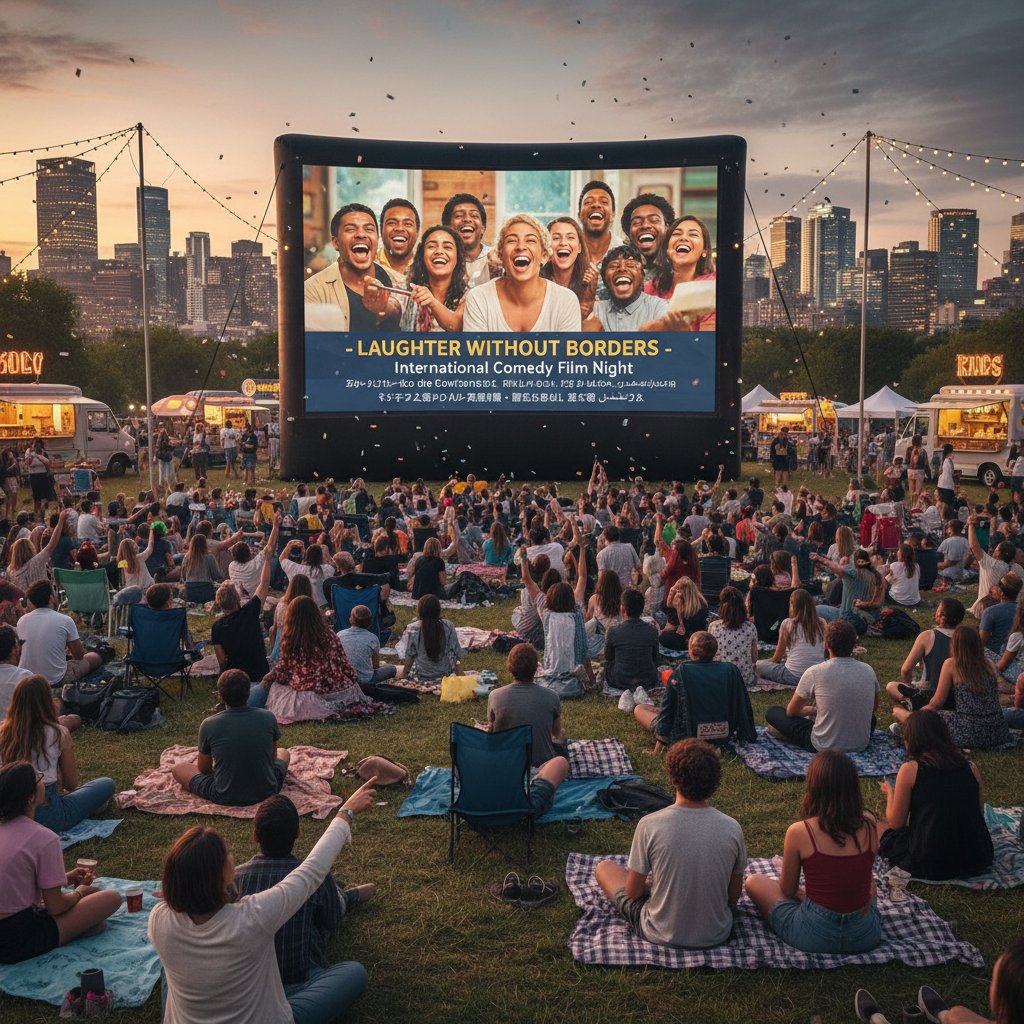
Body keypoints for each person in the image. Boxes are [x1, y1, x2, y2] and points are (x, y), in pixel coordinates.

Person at [150, 778, 377, 1024]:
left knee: (168, 970)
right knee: (353, 973)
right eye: (227, 853)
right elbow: (312, 871)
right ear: (222, 876)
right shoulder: (252, 918)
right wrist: (346, 812)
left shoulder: (159, 920)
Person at [594, 738, 745, 949]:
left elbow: (633, 892)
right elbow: (733, 896)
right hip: (717, 933)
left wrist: (652, 886)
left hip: (660, 931)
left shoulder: (649, 825)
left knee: (604, 868)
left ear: (673, 777)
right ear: (715, 782)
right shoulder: (732, 828)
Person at [234, 793, 374, 997]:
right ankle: (346, 896)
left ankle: (343, 894)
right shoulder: (311, 875)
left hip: (251, 980)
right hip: (304, 976)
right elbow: (330, 919)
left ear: (255, 836)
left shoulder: (235, 880)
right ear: (298, 833)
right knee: (353, 971)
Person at [744, 750, 881, 954]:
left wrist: (802, 894)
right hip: (865, 935)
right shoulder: (870, 825)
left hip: (813, 935)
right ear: (853, 787)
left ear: (814, 787)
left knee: (753, 881)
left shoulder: (800, 831)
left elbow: (787, 890)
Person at [0, 761, 121, 964]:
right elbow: (56, 906)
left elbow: (15, 879)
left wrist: (63, 879)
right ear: (30, 798)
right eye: (38, 778)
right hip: (15, 939)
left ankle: (75, 926)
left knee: (92, 897)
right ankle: (71, 932)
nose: (43, 780)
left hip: (14, 921)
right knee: (110, 898)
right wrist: (79, 891)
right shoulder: (43, 838)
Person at [877, 710, 992, 881]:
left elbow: (896, 823)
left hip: (929, 861)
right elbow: (979, 814)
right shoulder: (971, 767)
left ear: (911, 740)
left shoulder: (910, 770)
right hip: (976, 857)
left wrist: (891, 793)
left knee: (873, 824)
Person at [0, 675, 115, 832]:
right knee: (106, 784)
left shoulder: (2, 732)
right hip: (46, 813)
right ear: (48, 702)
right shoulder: (58, 732)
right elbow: (71, 783)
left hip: (6, 810)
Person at [171, 670, 290, 806]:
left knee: (179, 769)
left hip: (224, 794)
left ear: (220, 696)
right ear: (249, 692)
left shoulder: (209, 724)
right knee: (284, 753)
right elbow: (272, 757)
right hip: (267, 790)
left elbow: (204, 769)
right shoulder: (268, 717)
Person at [256, 597, 378, 723]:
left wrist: (270, 679)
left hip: (313, 693)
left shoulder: (292, 639)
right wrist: (352, 680)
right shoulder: (330, 634)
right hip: (343, 689)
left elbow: (283, 672)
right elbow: (343, 663)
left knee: (277, 688)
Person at [764, 619, 879, 753]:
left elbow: (792, 711)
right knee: (871, 719)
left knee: (773, 713)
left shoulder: (815, 672)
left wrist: (811, 710)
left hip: (822, 745)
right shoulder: (868, 670)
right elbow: (873, 708)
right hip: (860, 743)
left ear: (826, 645)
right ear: (854, 645)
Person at [634, 631, 754, 748]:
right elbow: (743, 705)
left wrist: (658, 747)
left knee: (640, 708)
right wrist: (746, 734)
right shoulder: (731, 670)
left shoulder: (682, 671)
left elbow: (667, 710)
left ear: (691, 650)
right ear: (714, 651)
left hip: (687, 735)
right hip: (724, 734)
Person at [463, 214, 582, 331]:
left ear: (544, 256)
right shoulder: (479, 299)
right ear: (500, 255)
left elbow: (565, 350)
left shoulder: (565, 301)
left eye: (530, 240)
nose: (520, 246)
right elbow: (475, 350)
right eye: (512, 240)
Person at [303, 203, 402, 330]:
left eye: (369, 229)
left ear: (377, 239)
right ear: (336, 242)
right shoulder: (313, 291)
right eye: (350, 229)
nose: (361, 234)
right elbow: (318, 346)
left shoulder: (401, 282)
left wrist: (384, 310)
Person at [910, 625, 1011, 749]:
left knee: (926, 721)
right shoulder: (989, 664)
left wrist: (918, 716)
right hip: (998, 731)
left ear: (955, 645)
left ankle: (904, 717)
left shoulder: (952, 664)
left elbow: (936, 703)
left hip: (968, 731)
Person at [212, 514, 280, 683]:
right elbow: (269, 549)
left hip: (235, 678)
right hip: (258, 673)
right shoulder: (251, 611)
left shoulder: (232, 566)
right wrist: (275, 527)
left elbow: (223, 663)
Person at [486, 642, 567, 767]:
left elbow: (492, 730)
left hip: (506, 763)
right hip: (543, 766)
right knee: (562, 734)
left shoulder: (495, 696)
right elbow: (556, 733)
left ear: (509, 668)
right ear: (536, 669)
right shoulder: (551, 696)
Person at [17, 580, 102, 688]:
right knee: (93, 658)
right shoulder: (65, 620)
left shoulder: (22, 621)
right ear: (51, 598)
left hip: (26, 680)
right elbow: (79, 656)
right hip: (55, 680)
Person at [887, 597, 965, 716]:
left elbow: (906, 670)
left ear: (940, 615)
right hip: (959, 698)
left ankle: (911, 701)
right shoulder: (967, 638)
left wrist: (910, 686)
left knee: (891, 686)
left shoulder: (928, 636)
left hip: (931, 695)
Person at [644, 214, 717, 330]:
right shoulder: (651, 288)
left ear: (705, 251)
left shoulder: (712, 288)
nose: (683, 238)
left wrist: (682, 337)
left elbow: (708, 345)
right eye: (677, 234)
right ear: (667, 249)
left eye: (693, 234)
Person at [584, 244, 670, 332]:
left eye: (631, 265)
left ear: (642, 277)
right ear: (604, 280)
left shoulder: (658, 307)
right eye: (613, 266)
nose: (622, 269)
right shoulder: (595, 310)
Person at [399, 224, 467, 331]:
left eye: (447, 247)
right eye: (431, 246)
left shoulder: (470, 296)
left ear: (458, 257)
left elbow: (456, 326)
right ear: (422, 256)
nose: (439, 251)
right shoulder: (406, 290)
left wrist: (432, 302)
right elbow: (391, 308)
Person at [755, 589, 826, 688]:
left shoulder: (787, 624)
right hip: (817, 676)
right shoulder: (822, 623)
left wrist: (763, 663)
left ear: (793, 605)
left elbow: (776, 659)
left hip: (793, 676)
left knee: (756, 665)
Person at [811, 548, 883, 634]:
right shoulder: (876, 575)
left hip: (847, 617)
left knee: (816, 609)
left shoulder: (853, 572)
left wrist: (819, 558)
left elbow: (833, 566)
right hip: (868, 619)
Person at [602, 587, 660, 694]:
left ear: (623, 610)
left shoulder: (613, 631)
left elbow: (608, 657)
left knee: (607, 665)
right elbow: (655, 658)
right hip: (648, 680)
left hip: (619, 681)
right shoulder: (652, 630)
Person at [540, 216, 597, 321]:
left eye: (570, 237)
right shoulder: (535, 282)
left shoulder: (588, 286)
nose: (563, 243)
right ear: (546, 247)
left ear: (579, 247)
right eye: (556, 238)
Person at [7, 508, 72, 594]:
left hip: (25, 605)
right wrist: (61, 520)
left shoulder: (10, 570)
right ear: (30, 548)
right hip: (44, 602)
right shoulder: (38, 561)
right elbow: (52, 544)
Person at [402, 594, 464, 683]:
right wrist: (460, 675)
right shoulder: (448, 626)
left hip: (420, 676)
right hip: (444, 675)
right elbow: (456, 653)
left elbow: (409, 657)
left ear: (420, 610)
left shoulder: (413, 628)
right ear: (438, 610)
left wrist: (404, 676)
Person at [709, 585, 758, 689]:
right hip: (745, 680)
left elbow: (709, 655)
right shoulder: (751, 627)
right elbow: (754, 659)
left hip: (718, 679)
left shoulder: (713, 626)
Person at [338, 604, 397, 687]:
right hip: (366, 680)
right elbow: (376, 666)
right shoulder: (372, 638)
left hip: (344, 679)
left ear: (351, 620)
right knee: (392, 669)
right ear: (370, 622)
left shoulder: (339, 635)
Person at [441, 192, 491, 286]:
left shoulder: (496, 259)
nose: (467, 219)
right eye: (459, 216)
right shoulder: (441, 259)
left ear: (483, 228)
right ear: (447, 228)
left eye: (474, 215)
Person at [620, 192, 675, 268]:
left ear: (667, 227)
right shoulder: (620, 267)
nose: (645, 225)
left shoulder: (679, 266)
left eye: (654, 220)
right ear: (628, 232)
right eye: (637, 222)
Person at [578, 180, 618, 282]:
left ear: (613, 215)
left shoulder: (624, 250)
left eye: (604, 202)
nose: (596, 205)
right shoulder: (568, 251)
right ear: (579, 215)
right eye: (588, 202)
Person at [279, 538, 335, 609]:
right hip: (320, 609)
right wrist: (327, 554)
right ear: (320, 557)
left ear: (306, 556)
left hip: (297, 607)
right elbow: (335, 565)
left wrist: (289, 545)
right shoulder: (327, 569)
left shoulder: (295, 569)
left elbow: (282, 559)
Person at [659, 576, 709, 651]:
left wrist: (677, 611)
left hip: (692, 638)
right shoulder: (701, 602)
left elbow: (680, 627)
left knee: (664, 637)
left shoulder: (698, 606)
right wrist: (669, 601)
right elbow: (666, 611)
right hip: (693, 636)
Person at [979, 574, 1022, 658]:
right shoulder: (1021, 609)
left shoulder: (990, 612)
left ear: (1002, 593)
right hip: (1017, 655)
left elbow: (982, 641)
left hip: (995, 655)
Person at [378, 197, 420, 277]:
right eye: (392, 223)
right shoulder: (369, 266)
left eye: (407, 224)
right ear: (381, 230)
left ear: (417, 232)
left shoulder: (426, 267)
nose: (400, 228)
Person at [596, 523, 641, 589]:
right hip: (630, 588)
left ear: (605, 538)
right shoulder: (629, 547)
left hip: (613, 591)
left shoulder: (601, 555)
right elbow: (638, 566)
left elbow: (602, 578)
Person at [884, 542, 922, 608]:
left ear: (901, 554)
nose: (897, 552)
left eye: (899, 550)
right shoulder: (916, 566)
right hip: (915, 602)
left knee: (883, 586)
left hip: (898, 600)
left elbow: (887, 581)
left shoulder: (895, 565)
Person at [24, 439, 53, 519]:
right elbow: (27, 463)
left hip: (43, 475)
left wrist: (42, 455)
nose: (36, 446)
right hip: (34, 475)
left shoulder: (43, 452)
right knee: (37, 497)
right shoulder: (29, 451)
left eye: (38, 444)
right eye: (35, 444)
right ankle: (36, 514)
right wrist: (32, 456)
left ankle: (45, 515)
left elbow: (48, 463)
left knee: (45, 496)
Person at [937, 443, 956, 517]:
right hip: (947, 485)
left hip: (940, 483)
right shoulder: (949, 460)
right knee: (946, 503)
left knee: (941, 501)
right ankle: (943, 517)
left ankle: (939, 516)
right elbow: (951, 472)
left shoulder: (943, 459)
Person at [0, 447, 20, 522]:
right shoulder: (3, 462)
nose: (10, 454)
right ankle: (5, 515)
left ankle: (7, 515)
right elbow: (4, 471)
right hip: (3, 480)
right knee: (6, 497)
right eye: (9, 453)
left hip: (3, 480)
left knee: (8, 496)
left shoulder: (8, 461)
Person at [240, 423, 260, 487]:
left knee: (251, 468)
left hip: (251, 454)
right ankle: (246, 480)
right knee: (246, 468)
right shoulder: (245, 436)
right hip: (245, 454)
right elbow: (241, 443)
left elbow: (252, 446)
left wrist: (245, 445)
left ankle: (252, 481)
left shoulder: (254, 437)